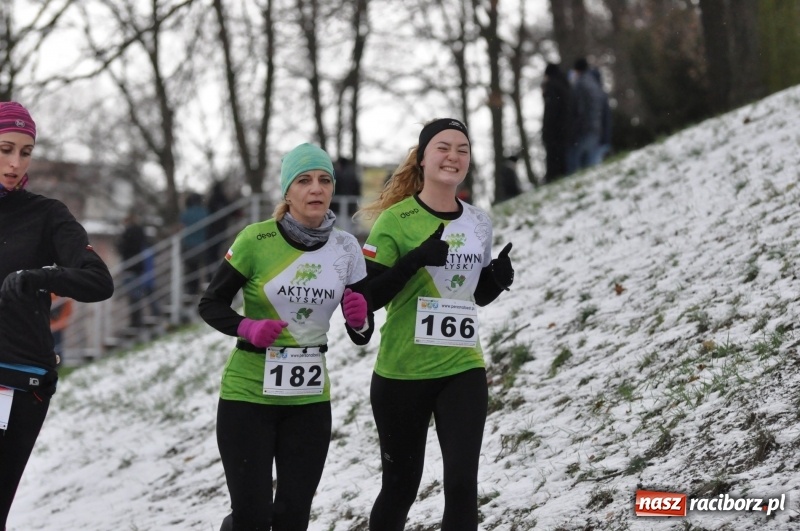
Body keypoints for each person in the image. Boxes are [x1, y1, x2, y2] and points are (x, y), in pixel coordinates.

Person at [198, 143, 374, 531]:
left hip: (309, 401)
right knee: (252, 518)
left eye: (324, 180)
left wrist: (359, 321)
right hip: (248, 396)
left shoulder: (347, 248)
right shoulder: (255, 240)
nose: (316, 188)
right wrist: (247, 326)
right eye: (304, 180)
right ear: (287, 192)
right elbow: (210, 304)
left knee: (293, 518)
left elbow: (363, 334)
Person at [356, 118, 515, 530]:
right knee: (401, 488)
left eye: (462, 149)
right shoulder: (396, 221)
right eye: (443, 147)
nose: (453, 156)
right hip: (402, 371)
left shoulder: (478, 222)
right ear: (423, 158)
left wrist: (496, 280)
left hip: (462, 368)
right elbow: (368, 299)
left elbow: (472, 295)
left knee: (462, 485)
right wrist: (414, 260)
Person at [0, 101, 114, 528]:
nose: (15, 163)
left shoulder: (47, 215)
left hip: (18, 380)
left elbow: (99, 281)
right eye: (5, 148)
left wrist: (37, 276)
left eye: (25, 152)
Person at [566, 57, 606, 175]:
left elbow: (579, 110)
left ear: (577, 70)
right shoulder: (594, 83)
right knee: (591, 167)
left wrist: (574, 130)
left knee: (574, 164)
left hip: (583, 130)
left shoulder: (579, 85)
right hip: (595, 128)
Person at [542, 62, 572, 182]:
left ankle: (552, 179)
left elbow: (551, 111)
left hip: (555, 132)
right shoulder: (565, 85)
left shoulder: (552, 87)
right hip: (566, 129)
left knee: (554, 160)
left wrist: (546, 131)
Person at [116, 211, 147, 327]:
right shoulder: (140, 231)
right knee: (137, 295)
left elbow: (122, 248)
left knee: (132, 295)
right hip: (138, 267)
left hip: (130, 267)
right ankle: (138, 320)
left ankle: (135, 321)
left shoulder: (127, 232)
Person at [180, 191, 209, 295]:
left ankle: (191, 291)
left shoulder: (186, 213)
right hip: (202, 245)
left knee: (190, 270)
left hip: (189, 245)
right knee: (200, 269)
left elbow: (181, 227)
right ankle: (199, 288)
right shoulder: (204, 212)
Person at [206, 180, 232, 268]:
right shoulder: (223, 198)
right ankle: (219, 271)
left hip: (213, 231)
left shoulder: (212, 200)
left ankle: (214, 273)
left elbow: (208, 213)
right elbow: (231, 210)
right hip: (222, 229)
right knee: (222, 251)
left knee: (213, 254)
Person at [49, 293, 73, 365]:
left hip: (56, 327)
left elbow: (67, 311)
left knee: (56, 347)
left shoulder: (62, 298)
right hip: (53, 327)